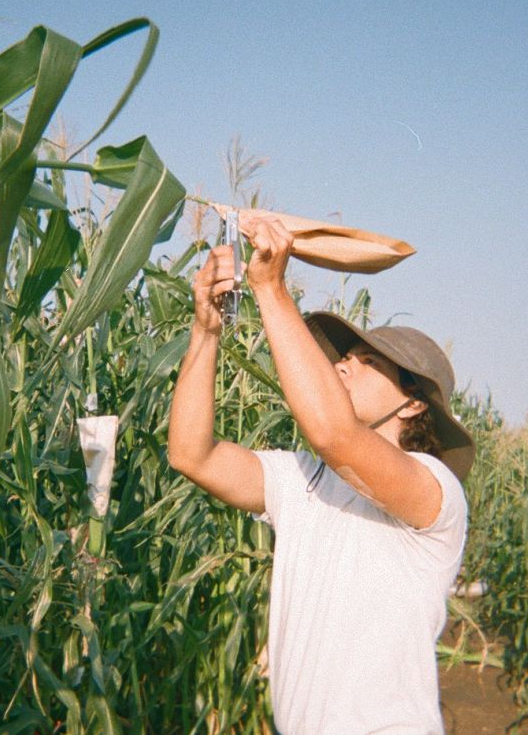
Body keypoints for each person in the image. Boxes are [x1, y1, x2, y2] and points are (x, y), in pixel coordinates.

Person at [167, 213, 476, 734]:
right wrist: (206, 328)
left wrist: (269, 288)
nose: (342, 366)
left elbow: (334, 435)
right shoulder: (303, 482)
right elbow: (192, 455)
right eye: (345, 357)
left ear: (413, 406)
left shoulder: (435, 491)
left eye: (367, 361)